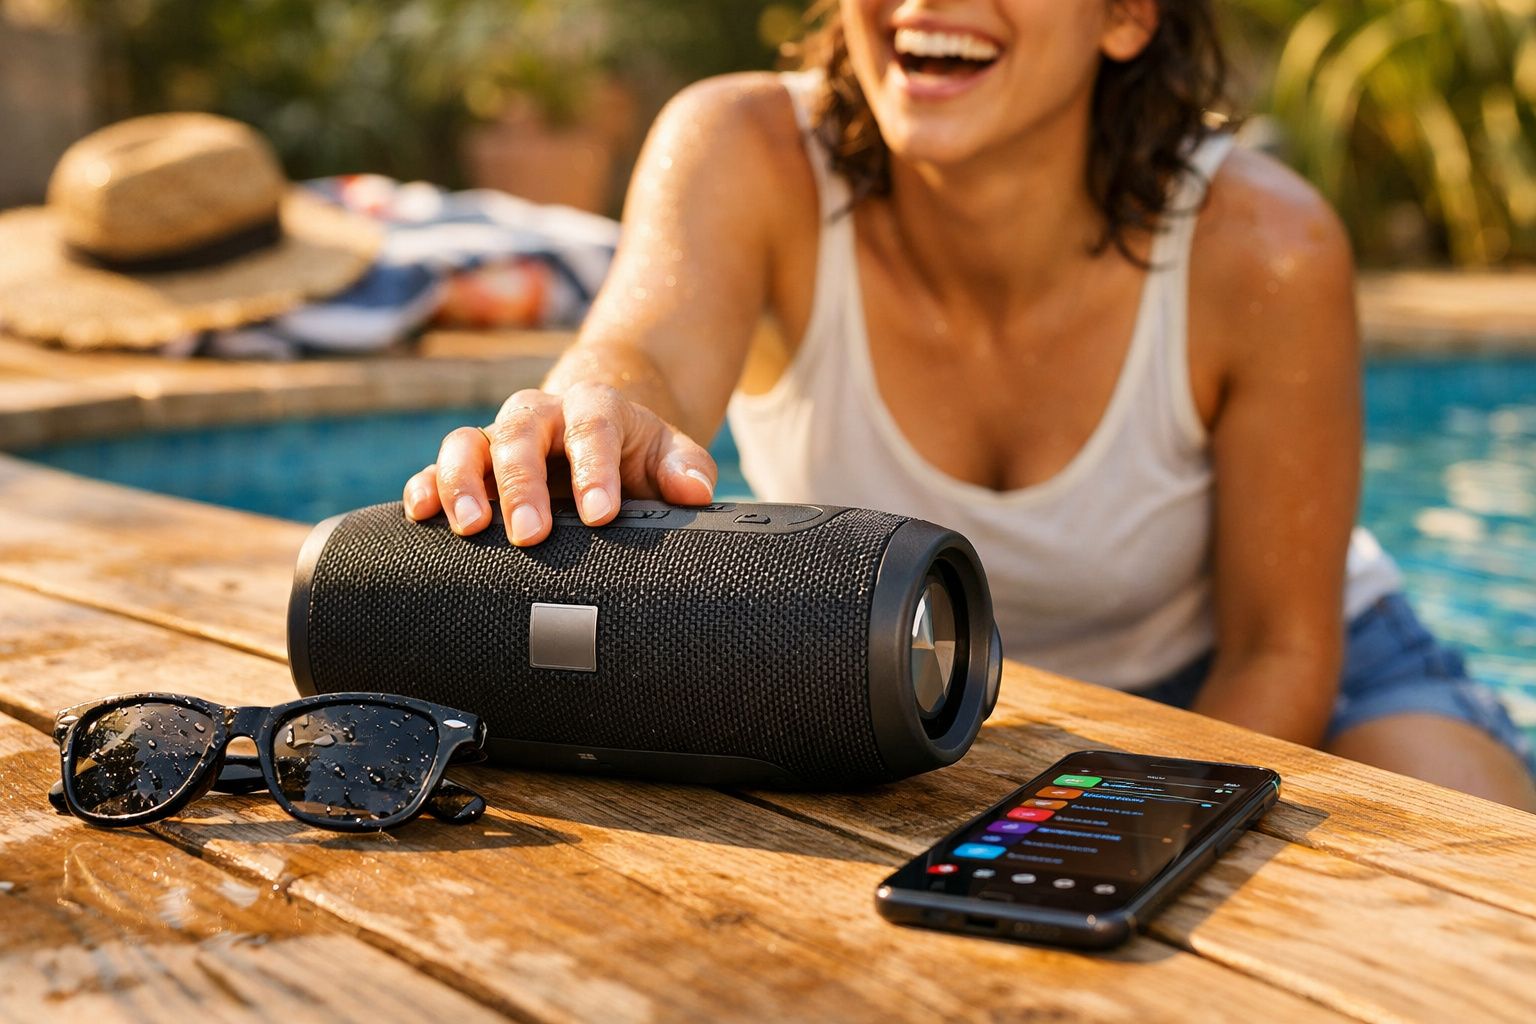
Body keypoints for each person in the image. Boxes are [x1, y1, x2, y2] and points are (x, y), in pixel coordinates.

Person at [403, 1, 1536, 809]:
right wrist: (592, 413)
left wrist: (1089, 826)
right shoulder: (746, 150)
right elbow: (640, 352)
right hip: (894, 685)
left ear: (1130, 15)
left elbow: (1283, 648)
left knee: (1466, 873)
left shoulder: (1267, 247)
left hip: (1275, 675)